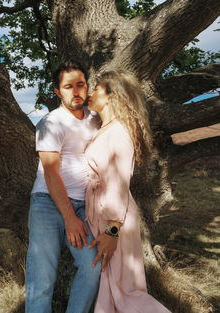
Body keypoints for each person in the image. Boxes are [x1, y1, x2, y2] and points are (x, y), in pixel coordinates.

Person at [85, 70, 171, 313]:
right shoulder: (104, 128)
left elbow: (117, 184)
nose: (90, 94)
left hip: (115, 220)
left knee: (126, 293)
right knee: (110, 290)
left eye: (97, 89)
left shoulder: (119, 133)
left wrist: (112, 232)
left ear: (111, 96)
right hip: (102, 216)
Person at [25, 60, 101, 313]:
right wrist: (69, 217)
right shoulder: (51, 123)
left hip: (84, 205)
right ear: (58, 92)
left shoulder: (96, 119)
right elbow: (50, 172)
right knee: (41, 276)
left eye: (81, 84)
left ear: (88, 86)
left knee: (92, 266)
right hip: (48, 202)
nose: (76, 91)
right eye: (68, 86)